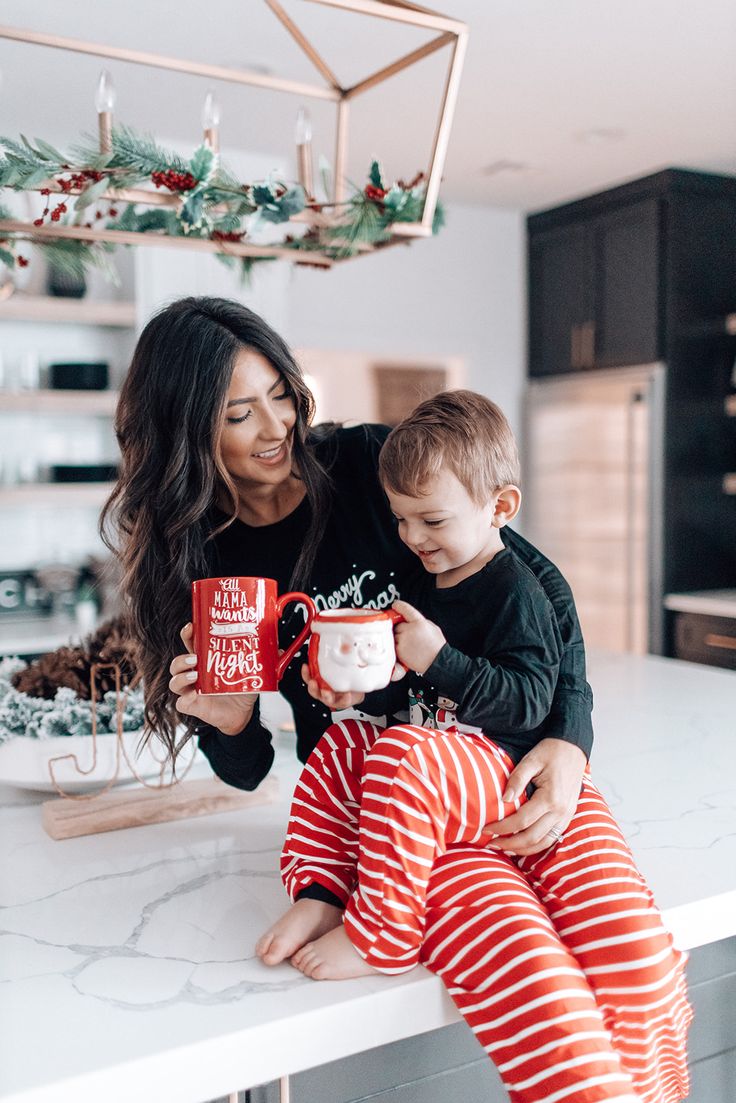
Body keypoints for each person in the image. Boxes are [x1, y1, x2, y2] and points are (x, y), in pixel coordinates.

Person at [102, 297, 683, 1102]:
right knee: (545, 999)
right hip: (389, 820)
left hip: (503, 760)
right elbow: (246, 770)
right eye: (239, 411)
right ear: (186, 431)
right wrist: (232, 723)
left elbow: (531, 579)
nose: (275, 425)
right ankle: (335, 899)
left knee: (640, 962)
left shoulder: (371, 465)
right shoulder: (198, 561)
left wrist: (572, 734)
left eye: (281, 391)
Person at [257, 391, 692, 1103]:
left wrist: (437, 660)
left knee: (403, 754)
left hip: (501, 774)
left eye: (431, 519)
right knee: (349, 746)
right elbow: (412, 702)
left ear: (501, 507)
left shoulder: (516, 588)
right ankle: (322, 887)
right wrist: (362, 697)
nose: (412, 535)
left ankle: (382, 936)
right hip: (442, 798)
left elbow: (526, 700)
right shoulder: (422, 580)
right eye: (400, 518)